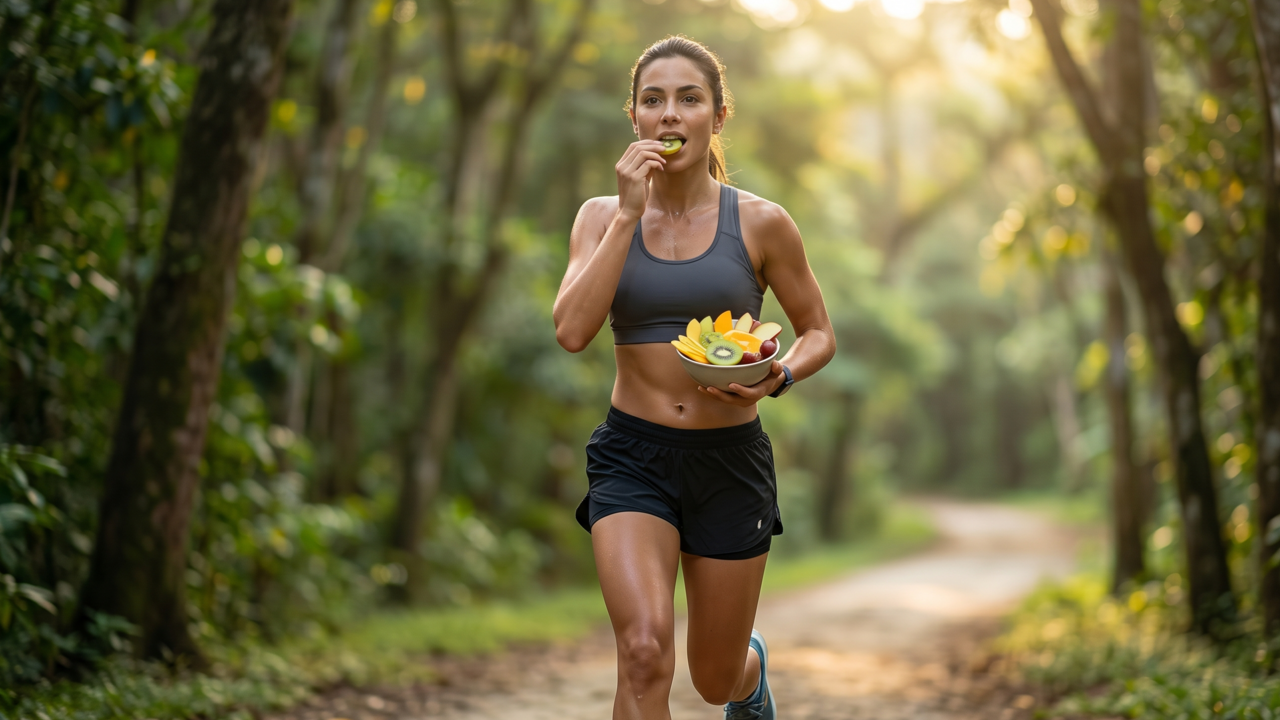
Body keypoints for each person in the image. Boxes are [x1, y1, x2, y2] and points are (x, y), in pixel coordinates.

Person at [552, 35, 836, 720]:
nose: (670, 114)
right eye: (653, 100)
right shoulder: (600, 216)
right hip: (633, 458)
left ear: (718, 115)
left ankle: (750, 676)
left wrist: (778, 377)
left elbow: (819, 333)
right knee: (643, 654)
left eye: (689, 99)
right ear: (634, 118)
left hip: (729, 462)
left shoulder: (761, 222)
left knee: (714, 677)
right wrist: (629, 212)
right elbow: (572, 331)